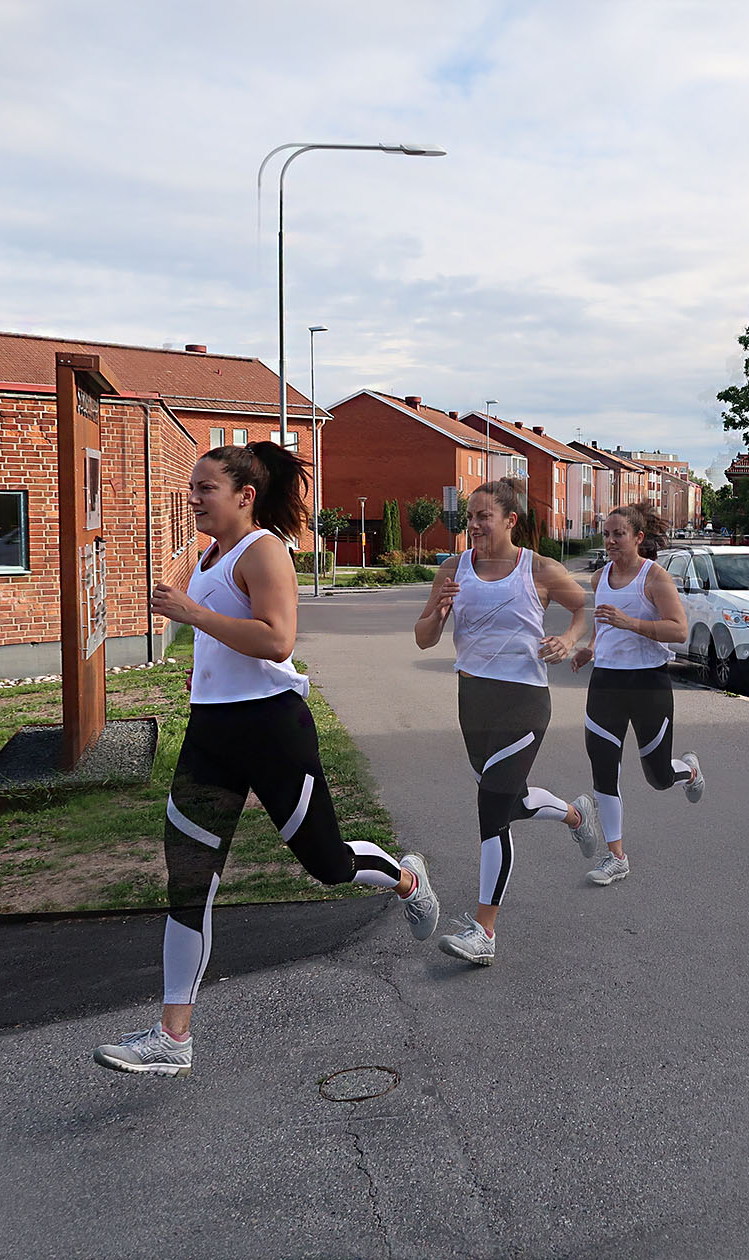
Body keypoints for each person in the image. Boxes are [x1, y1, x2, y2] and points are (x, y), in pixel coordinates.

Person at [93, 442, 439, 1077]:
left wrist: (191, 611)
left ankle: (406, 878)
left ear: (244, 496)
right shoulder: (209, 555)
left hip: (273, 729)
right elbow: (218, 638)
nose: (192, 498)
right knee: (189, 877)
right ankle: (175, 1037)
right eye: (192, 488)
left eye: (204, 489)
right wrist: (189, 615)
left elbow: (277, 638)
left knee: (328, 865)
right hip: (210, 733)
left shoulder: (265, 550)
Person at [414, 477, 602, 965]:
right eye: (469, 517)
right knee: (509, 799)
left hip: (524, 701)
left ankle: (484, 931)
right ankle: (573, 813)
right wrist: (437, 611)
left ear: (509, 520)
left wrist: (570, 639)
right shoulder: (454, 569)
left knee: (492, 807)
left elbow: (584, 608)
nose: (473, 525)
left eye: (483, 516)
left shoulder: (537, 568)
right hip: (472, 700)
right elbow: (423, 638)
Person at [569, 503, 705, 884]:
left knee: (658, 777)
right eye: (606, 534)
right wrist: (591, 648)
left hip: (648, 684)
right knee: (603, 769)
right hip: (606, 684)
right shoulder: (599, 578)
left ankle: (689, 770)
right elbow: (605, 626)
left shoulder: (654, 578)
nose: (610, 541)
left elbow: (679, 631)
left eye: (619, 534)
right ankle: (616, 857)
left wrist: (631, 623)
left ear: (638, 538)